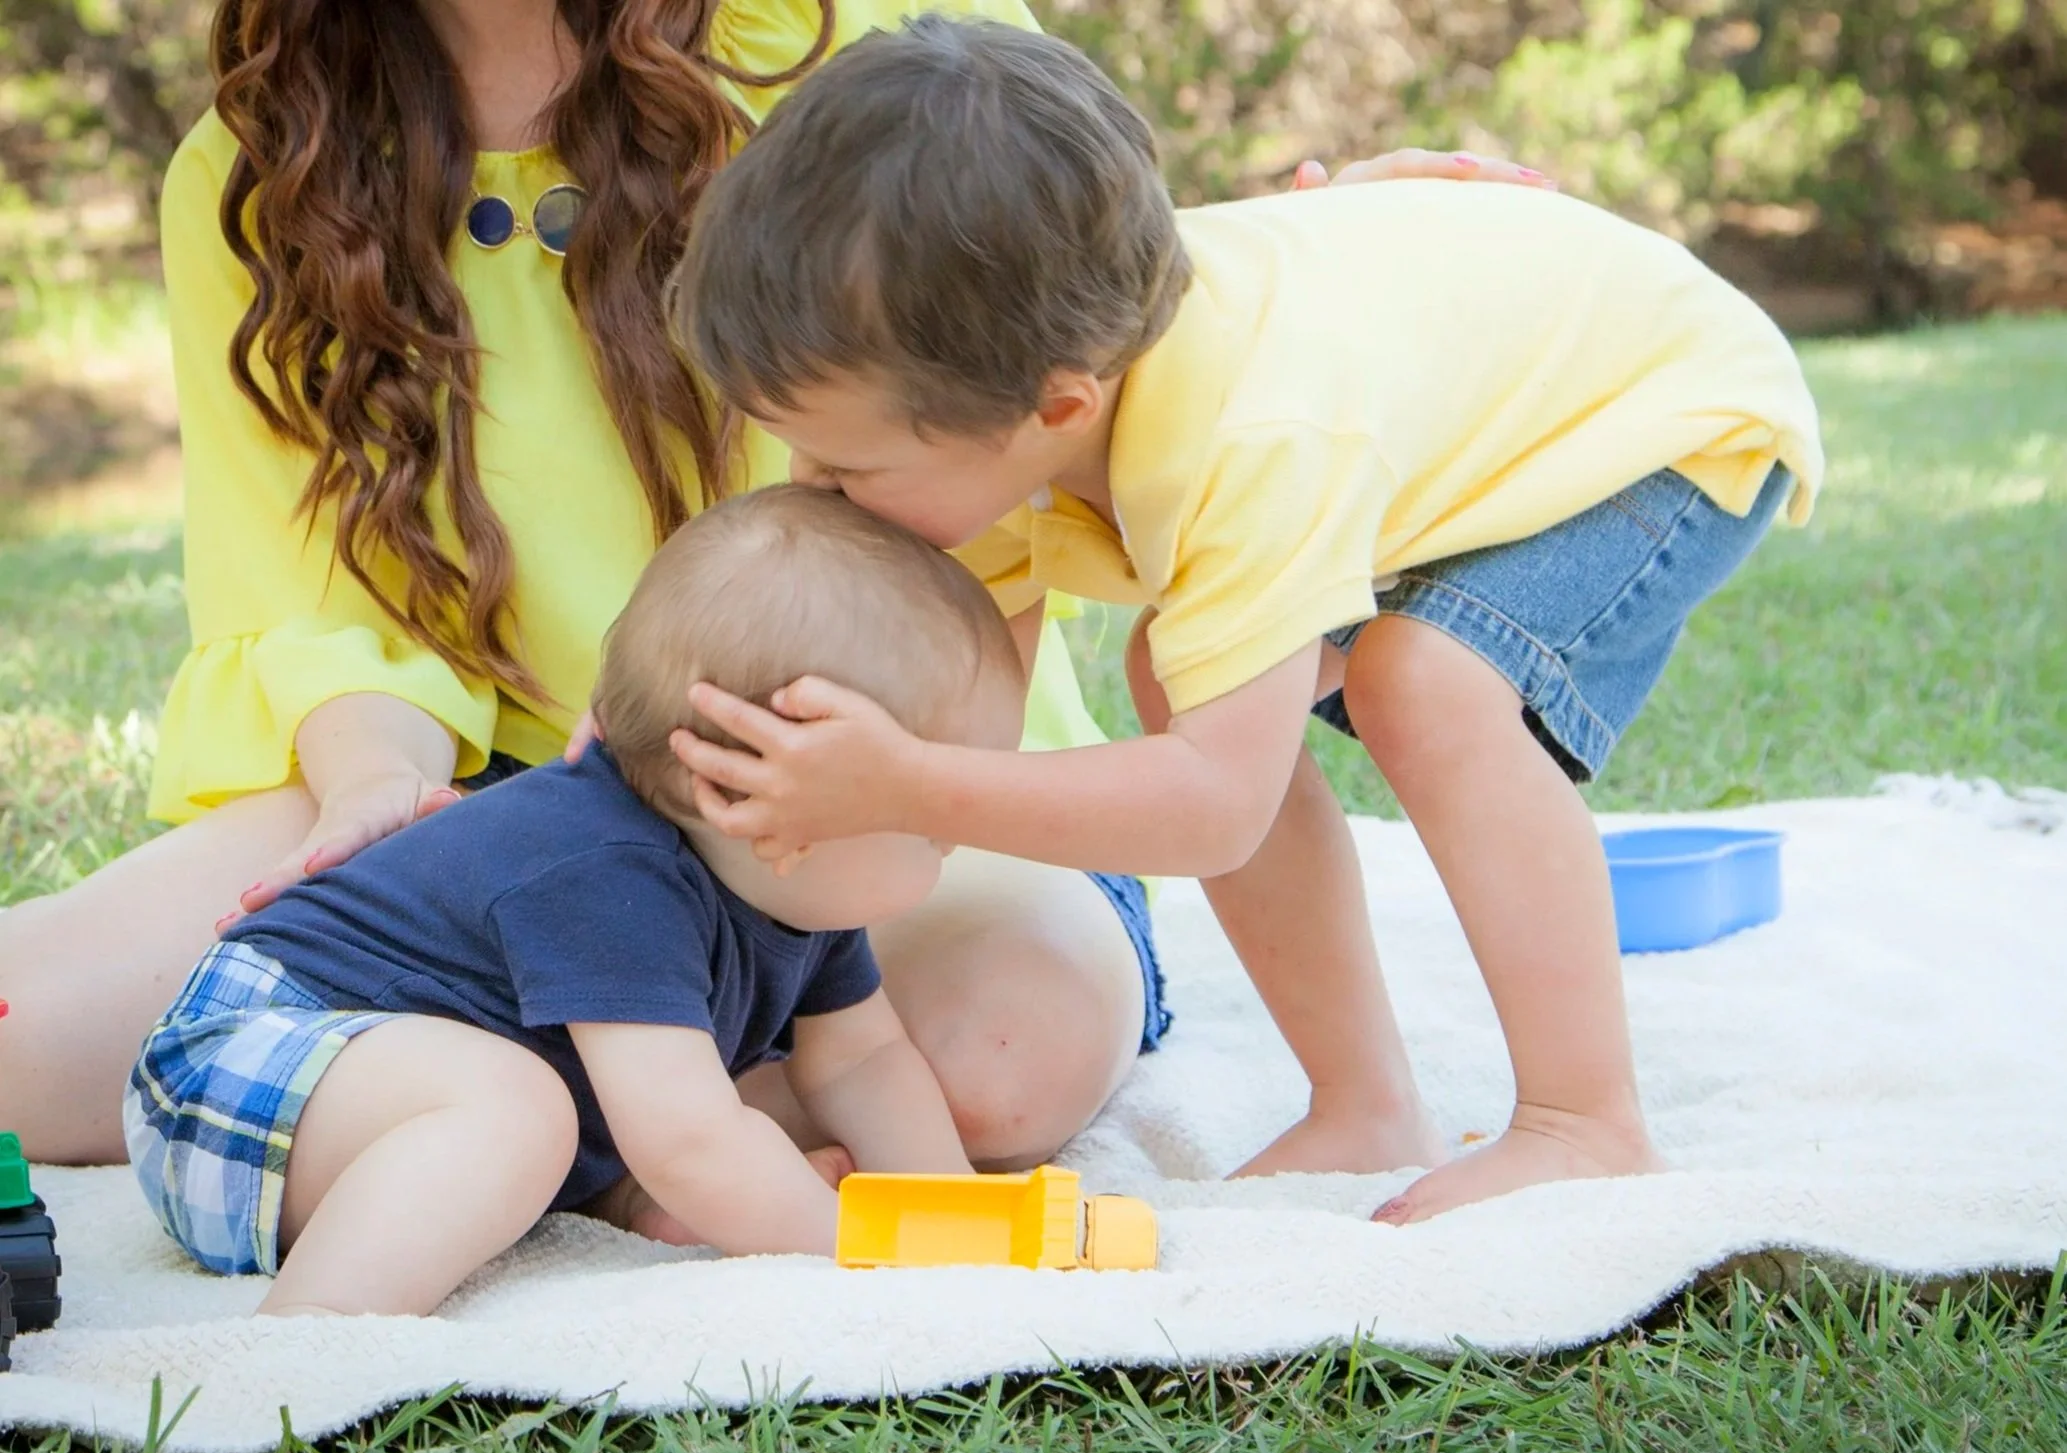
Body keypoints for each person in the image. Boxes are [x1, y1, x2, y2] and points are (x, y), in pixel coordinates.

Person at [0, 0, 1547, 1172]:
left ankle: (533, 1123)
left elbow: (1088, 291)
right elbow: (299, 599)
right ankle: (629, 1117)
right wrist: (371, 790)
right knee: (35, 1051)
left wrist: (1328, 248)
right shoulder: (257, 168)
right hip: (499, 807)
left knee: (1000, 1058)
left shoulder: (850, 31)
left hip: (889, 795)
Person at [661, 16, 1828, 1222]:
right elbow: (970, 719)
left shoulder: (1252, 437)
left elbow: (1215, 808)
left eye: (845, 470)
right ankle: (1368, 1103)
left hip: (1656, 404)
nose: (809, 490)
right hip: (1449, 401)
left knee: (1425, 686)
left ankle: (1587, 1120)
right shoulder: (1001, 418)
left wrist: (905, 784)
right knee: (1184, 678)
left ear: (1055, 408)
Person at [128, 487, 1019, 1316]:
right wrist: (865, 1251)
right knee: (525, 1107)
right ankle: (312, 1340)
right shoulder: (602, 868)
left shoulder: (796, 883)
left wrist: (954, 1220)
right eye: (925, 820)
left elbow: (862, 1063)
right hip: (247, 1070)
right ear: (761, 802)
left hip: (378, 1092)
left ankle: (612, 1197)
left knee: (571, 1098)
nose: (955, 831)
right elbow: (692, 1141)